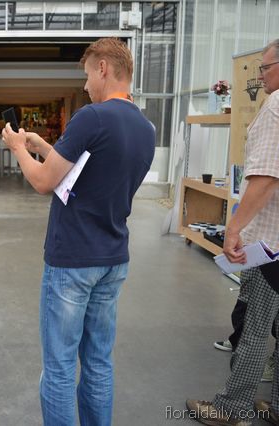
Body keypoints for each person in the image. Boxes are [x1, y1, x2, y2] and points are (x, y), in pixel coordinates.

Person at [2, 38, 155, 425]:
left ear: (103, 68)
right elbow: (89, 170)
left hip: (73, 259)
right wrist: (42, 145)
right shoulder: (145, 128)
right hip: (113, 258)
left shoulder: (93, 117)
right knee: (99, 362)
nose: (86, 86)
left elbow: (43, 181)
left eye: (88, 75)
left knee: (59, 367)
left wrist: (18, 148)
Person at [187, 39, 279, 426]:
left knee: (255, 328)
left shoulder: (275, 107)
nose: (260, 75)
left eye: (265, 67)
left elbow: (265, 177)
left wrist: (234, 228)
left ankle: (232, 408)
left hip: (270, 243)